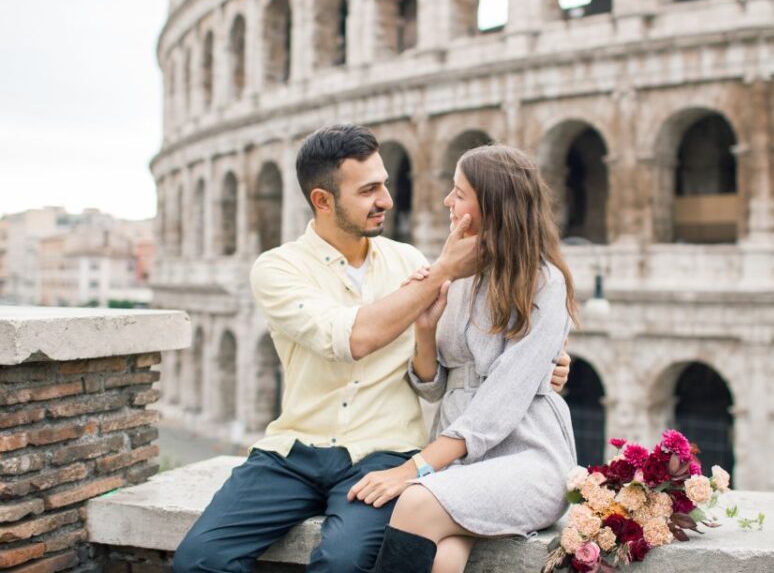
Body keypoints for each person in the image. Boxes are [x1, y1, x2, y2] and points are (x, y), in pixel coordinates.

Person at [172, 124, 571, 573]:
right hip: (294, 451)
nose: (387, 199)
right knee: (198, 560)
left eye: (384, 183)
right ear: (323, 200)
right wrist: (436, 296)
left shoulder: (413, 263)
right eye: (369, 190)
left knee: (344, 562)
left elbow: (482, 367)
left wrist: (545, 365)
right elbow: (357, 340)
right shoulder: (278, 268)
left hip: (387, 451)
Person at [349, 145, 579, 573]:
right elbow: (434, 386)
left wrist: (413, 468)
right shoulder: (455, 274)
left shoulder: (544, 283)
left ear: (493, 204)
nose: (446, 202)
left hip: (526, 456)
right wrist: (425, 329)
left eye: (458, 193)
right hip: (462, 459)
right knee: (444, 556)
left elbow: (501, 402)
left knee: (416, 499)